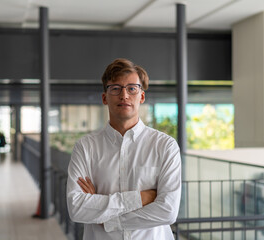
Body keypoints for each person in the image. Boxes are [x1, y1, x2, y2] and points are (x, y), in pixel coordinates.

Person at [67, 58, 181, 240]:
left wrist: (106, 217)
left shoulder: (165, 146)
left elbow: (167, 211)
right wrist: (141, 198)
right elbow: (77, 208)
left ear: (142, 96)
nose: (124, 95)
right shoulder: (85, 147)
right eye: (115, 88)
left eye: (132, 88)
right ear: (104, 97)